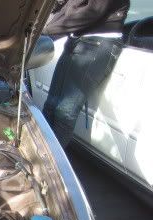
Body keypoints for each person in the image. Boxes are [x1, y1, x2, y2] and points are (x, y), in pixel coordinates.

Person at [42, 0, 130, 148]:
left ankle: (50, 158)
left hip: (98, 44)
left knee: (65, 112)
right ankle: (40, 150)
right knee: (50, 105)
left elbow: (91, 12)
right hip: (78, 40)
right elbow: (70, 6)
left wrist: (46, 28)